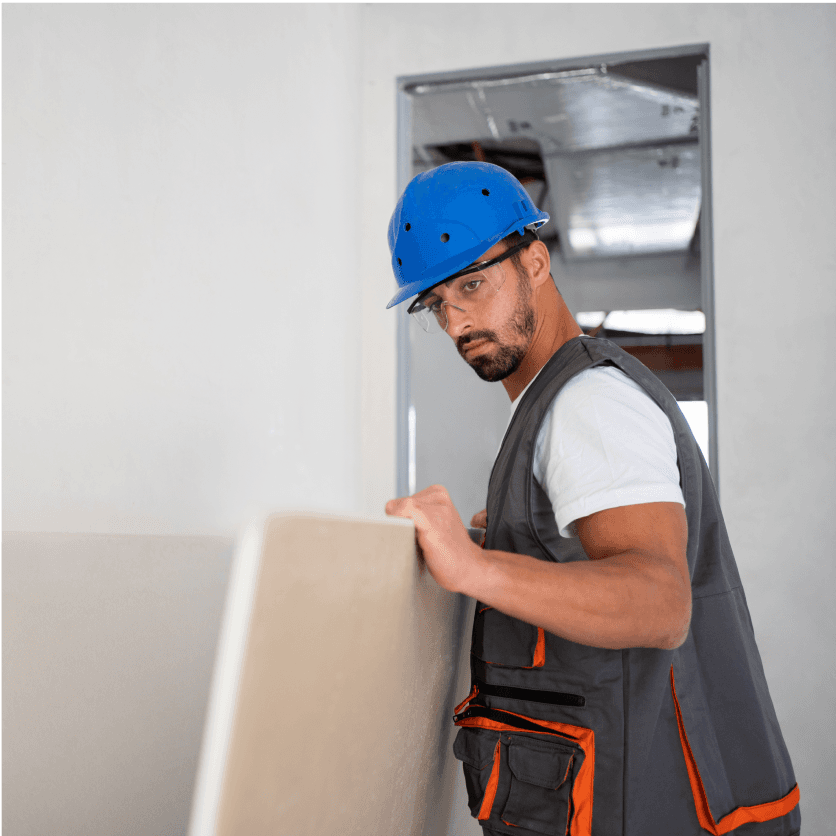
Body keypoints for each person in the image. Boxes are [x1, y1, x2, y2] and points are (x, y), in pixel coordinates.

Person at [384, 162, 800, 836]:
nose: (457, 321)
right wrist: (517, 549)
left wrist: (474, 566)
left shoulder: (587, 404)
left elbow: (661, 603)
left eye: (472, 284)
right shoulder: (562, 399)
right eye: (437, 304)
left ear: (537, 263)